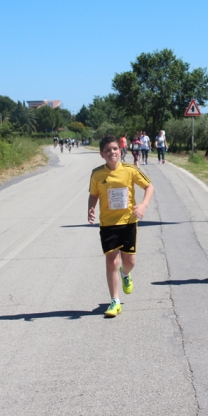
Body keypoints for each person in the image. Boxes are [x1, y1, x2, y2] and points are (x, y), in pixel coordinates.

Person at [88, 135, 155, 317]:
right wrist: (91, 209)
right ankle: (115, 301)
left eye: (115, 149)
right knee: (111, 261)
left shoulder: (130, 170)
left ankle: (125, 274)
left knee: (129, 262)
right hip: (108, 224)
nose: (112, 152)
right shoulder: (97, 174)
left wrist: (143, 205)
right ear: (102, 154)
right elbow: (93, 194)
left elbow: (149, 187)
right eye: (108, 150)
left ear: (121, 150)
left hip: (128, 222)